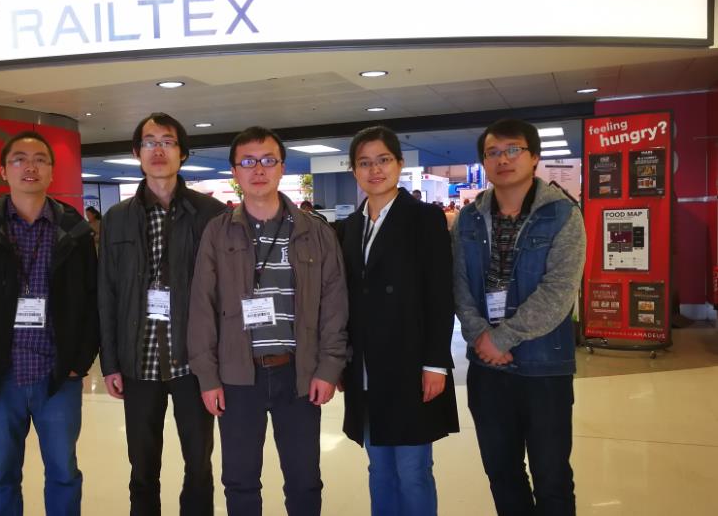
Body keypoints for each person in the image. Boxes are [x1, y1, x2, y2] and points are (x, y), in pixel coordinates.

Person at [187, 126, 348, 516]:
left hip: (299, 373)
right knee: (240, 481)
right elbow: (202, 307)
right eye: (247, 162)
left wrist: (329, 367)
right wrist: (207, 377)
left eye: (267, 160)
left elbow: (334, 303)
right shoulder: (217, 233)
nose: (258, 169)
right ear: (234, 172)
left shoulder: (315, 231)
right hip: (237, 376)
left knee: (304, 480)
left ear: (282, 167)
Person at [0, 131, 100, 516]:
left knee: (64, 472)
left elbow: (92, 301)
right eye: (19, 159)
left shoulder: (74, 230)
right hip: (0, 378)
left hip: (57, 377)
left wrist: (78, 361)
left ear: (52, 171)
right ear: (3, 171)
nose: (30, 166)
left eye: (40, 159)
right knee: (1, 475)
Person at [452, 118, 585, 516]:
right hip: (487, 370)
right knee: (502, 472)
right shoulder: (468, 219)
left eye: (513, 150)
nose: (503, 160)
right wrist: (479, 335)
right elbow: (458, 283)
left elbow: (559, 291)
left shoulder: (562, 214)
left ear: (534, 157)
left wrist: (501, 338)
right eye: (492, 153)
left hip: (543, 367)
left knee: (551, 476)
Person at [99, 112, 225, 516]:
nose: (158, 150)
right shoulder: (117, 218)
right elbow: (107, 293)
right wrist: (110, 362)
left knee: (199, 465)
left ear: (182, 153)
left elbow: (223, 292)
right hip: (139, 361)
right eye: (149, 142)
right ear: (137, 152)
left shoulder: (210, 214)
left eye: (167, 141)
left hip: (194, 363)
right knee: (142, 467)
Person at [338, 126, 458, 516]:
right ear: (354, 170)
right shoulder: (350, 227)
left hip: (410, 362)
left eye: (383, 160)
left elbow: (440, 294)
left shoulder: (424, 219)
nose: (374, 170)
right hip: (366, 366)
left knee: (413, 470)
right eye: (364, 163)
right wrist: (341, 360)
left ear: (400, 164)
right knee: (379, 468)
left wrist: (435, 362)